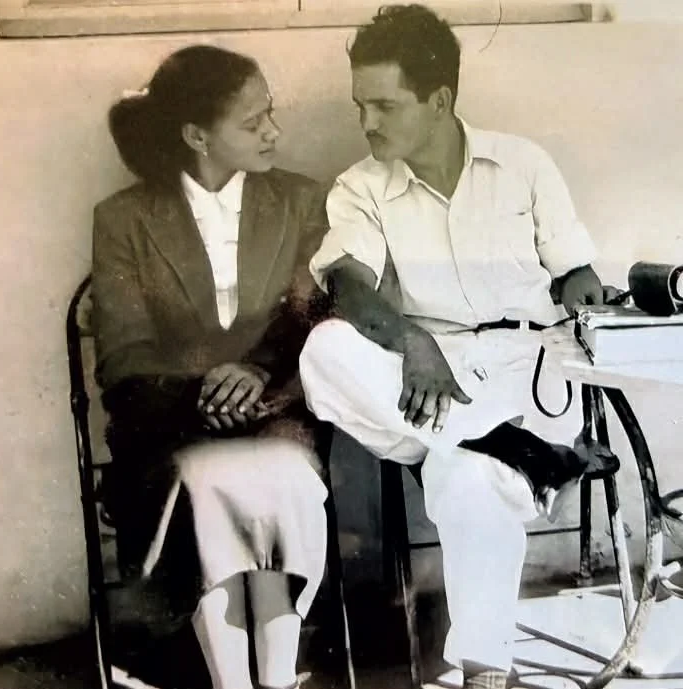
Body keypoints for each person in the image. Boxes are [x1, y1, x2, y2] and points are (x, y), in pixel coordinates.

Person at [297, 6, 619, 688]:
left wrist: (591, 299)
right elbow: (350, 288)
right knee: (324, 350)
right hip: (430, 384)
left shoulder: (523, 163)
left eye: (384, 105)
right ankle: (529, 458)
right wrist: (411, 339)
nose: (367, 123)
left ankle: (483, 674)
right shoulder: (360, 187)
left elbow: (573, 273)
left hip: (532, 377)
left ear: (438, 99)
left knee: (466, 474)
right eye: (360, 106)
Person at [93, 44, 331, 689]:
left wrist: (255, 376)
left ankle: (277, 680)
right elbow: (123, 353)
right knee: (205, 485)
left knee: (280, 475)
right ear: (197, 135)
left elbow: (311, 318)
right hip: (171, 425)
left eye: (270, 115)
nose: (273, 132)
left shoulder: (301, 203)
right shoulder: (125, 220)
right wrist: (201, 394)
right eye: (253, 123)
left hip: (276, 412)